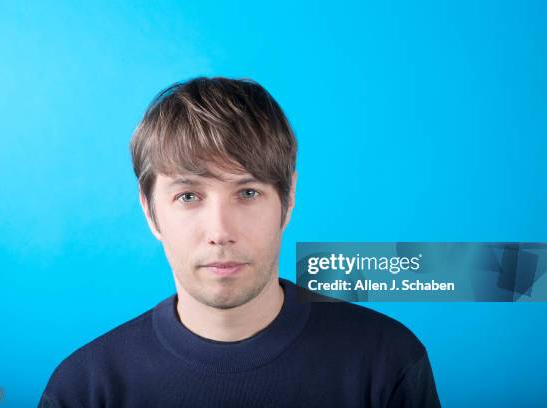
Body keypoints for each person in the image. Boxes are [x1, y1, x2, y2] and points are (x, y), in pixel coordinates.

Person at [39, 77, 441, 407]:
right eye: (188, 196)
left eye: (248, 193)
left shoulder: (388, 363)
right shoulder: (84, 390)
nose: (220, 232)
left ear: (288, 200)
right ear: (150, 211)